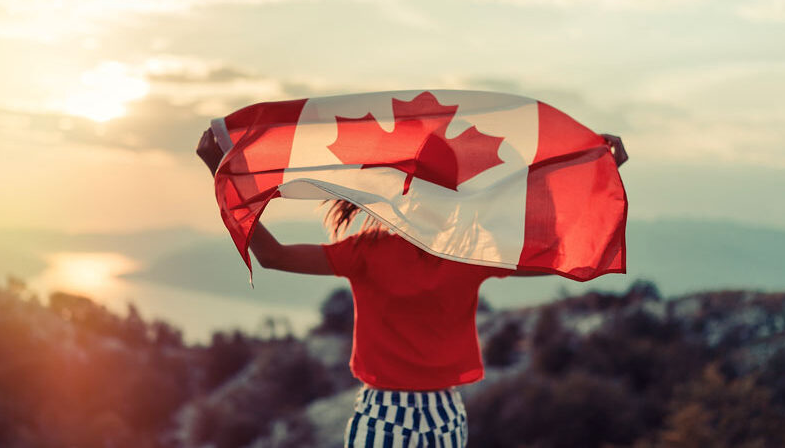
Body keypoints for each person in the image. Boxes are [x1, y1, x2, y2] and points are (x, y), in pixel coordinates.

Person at [197, 127, 628, 447]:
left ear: (404, 191)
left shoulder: (368, 251)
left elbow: (273, 256)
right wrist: (602, 172)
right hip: (445, 416)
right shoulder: (470, 251)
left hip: (383, 412)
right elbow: (558, 257)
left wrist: (221, 176)